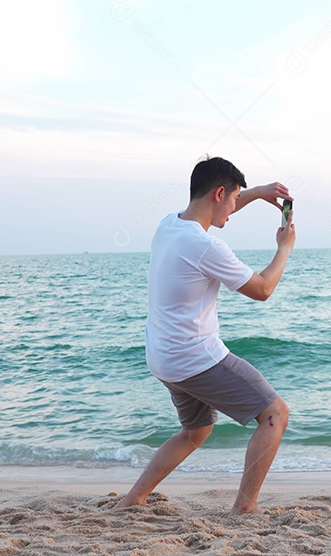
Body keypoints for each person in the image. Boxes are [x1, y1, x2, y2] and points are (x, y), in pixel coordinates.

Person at [115, 156, 296, 515]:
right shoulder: (207, 247)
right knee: (275, 414)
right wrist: (284, 248)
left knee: (195, 432)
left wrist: (256, 193)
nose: (232, 209)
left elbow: (214, 210)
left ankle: (134, 498)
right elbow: (262, 290)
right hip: (195, 358)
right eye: (232, 199)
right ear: (218, 193)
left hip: (163, 358)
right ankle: (246, 506)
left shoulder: (168, 225)